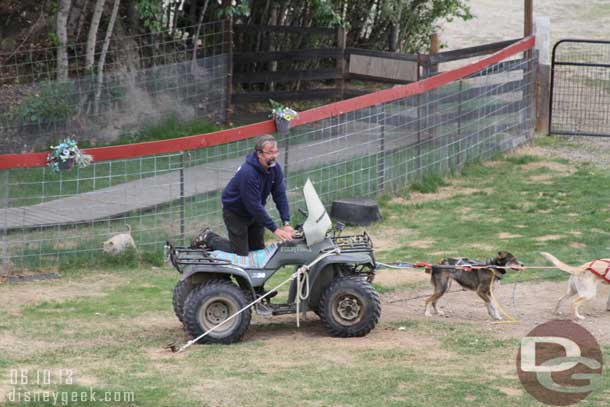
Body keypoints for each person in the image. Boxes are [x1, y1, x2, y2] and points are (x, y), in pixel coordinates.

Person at [192, 135, 295, 255]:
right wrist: (275, 229)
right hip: (235, 212)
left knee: (258, 252)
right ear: (259, 154)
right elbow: (253, 205)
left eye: (276, 152)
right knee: (240, 254)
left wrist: (286, 222)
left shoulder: (275, 168)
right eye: (270, 153)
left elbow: (280, 195)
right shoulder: (248, 173)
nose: (274, 156)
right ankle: (208, 238)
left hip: (254, 212)